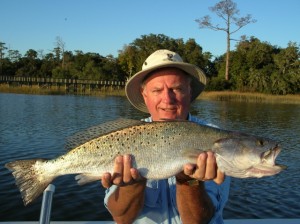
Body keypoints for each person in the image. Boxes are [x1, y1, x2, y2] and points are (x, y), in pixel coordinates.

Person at [102, 49, 231, 224]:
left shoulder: (214, 138)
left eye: (176, 89)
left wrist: (189, 181)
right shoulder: (121, 137)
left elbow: (198, 221)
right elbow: (122, 218)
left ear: (189, 91)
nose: (167, 99)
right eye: (157, 90)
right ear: (144, 94)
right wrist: (133, 183)